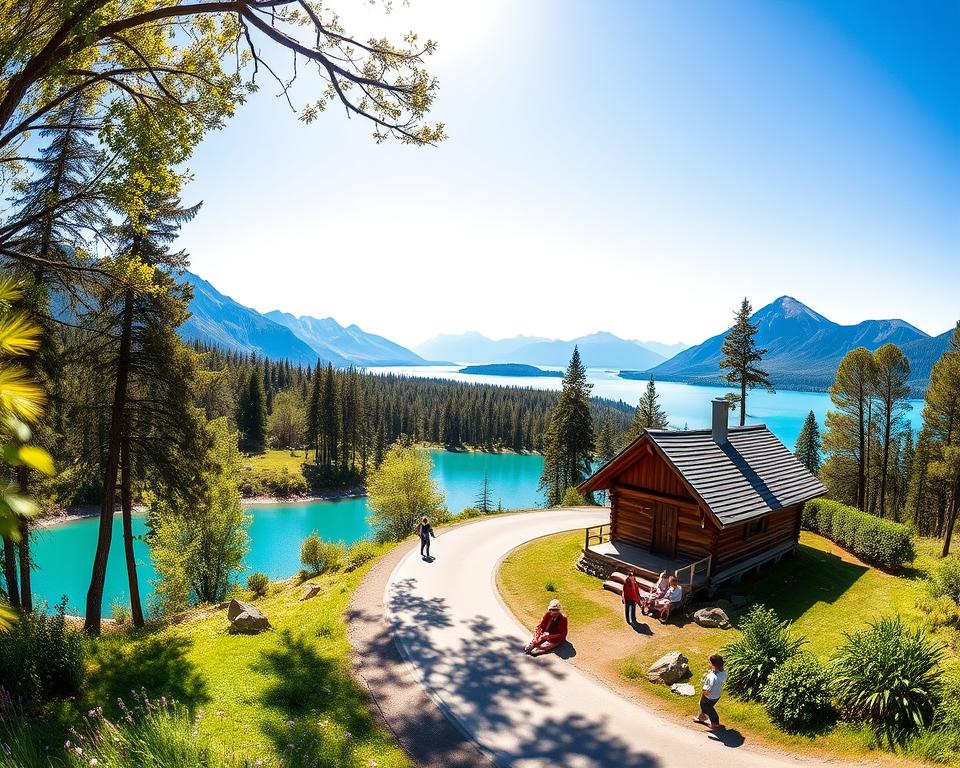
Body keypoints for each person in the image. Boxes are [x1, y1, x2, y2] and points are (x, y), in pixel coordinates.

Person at [693, 654, 726, 731]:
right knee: (705, 707)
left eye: (709, 662)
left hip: (709, 697)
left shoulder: (711, 677)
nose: (708, 663)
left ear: (713, 665)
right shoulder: (723, 672)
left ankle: (715, 723)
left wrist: (703, 693)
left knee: (705, 707)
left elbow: (707, 691)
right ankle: (701, 718)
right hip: (717, 695)